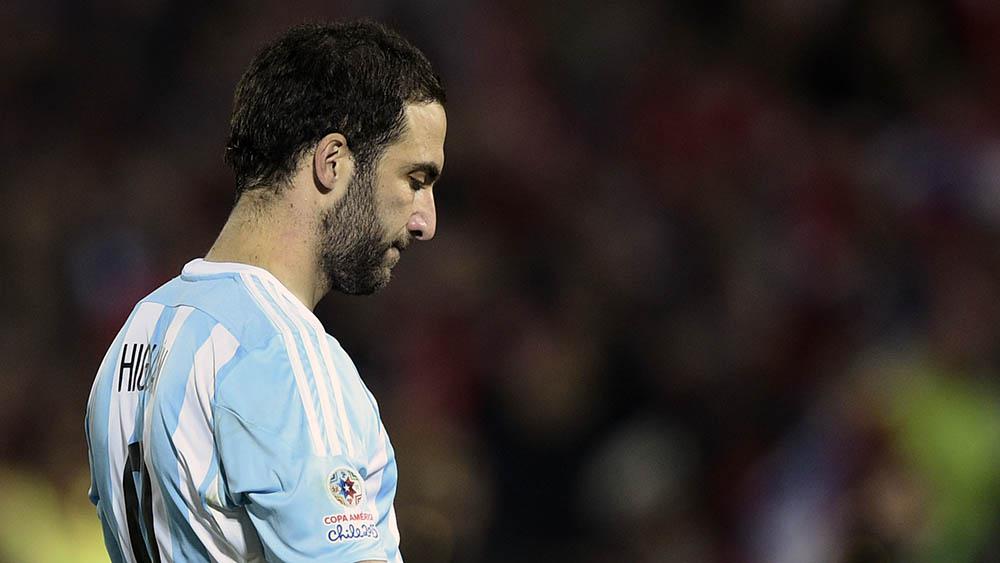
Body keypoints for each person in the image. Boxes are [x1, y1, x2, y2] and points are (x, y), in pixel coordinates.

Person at [84, 20, 446, 563]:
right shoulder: (284, 356)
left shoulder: (135, 335)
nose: (426, 221)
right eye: (416, 179)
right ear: (333, 162)